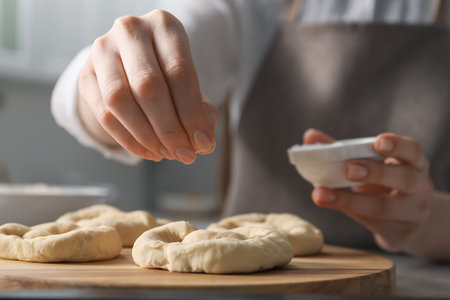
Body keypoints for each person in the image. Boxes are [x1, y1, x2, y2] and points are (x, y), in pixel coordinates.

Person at [52, 0, 450, 261]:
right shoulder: (254, 6)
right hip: (242, 282)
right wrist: (115, 79)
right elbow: (71, 98)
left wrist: (426, 218)